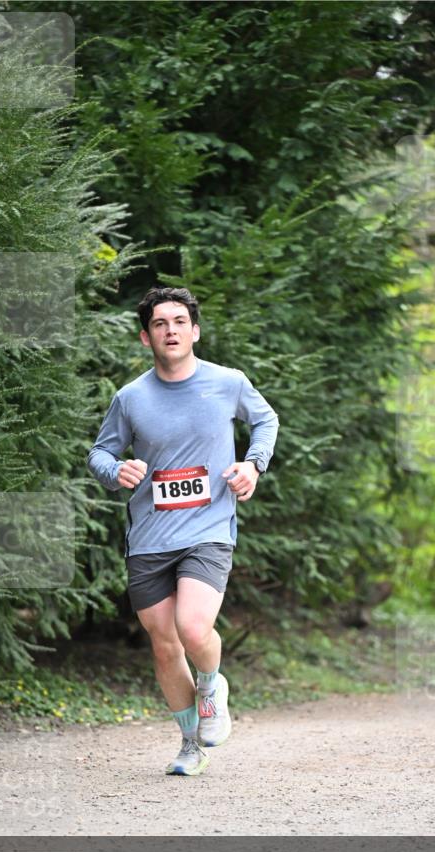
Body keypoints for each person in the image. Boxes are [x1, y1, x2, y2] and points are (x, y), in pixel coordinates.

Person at [87, 286, 278, 775]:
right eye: (159, 324)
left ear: (194, 331)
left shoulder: (228, 382)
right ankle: (190, 743)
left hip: (208, 529)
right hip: (150, 537)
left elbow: (265, 420)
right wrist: (117, 471)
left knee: (193, 628)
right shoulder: (131, 398)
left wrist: (253, 466)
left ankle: (212, 683)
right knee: (164, 645)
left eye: (178, 322)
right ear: (145, 336)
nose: (169, 330)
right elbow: (100, 454)